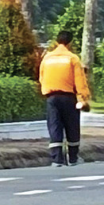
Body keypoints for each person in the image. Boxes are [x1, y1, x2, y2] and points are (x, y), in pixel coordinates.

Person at [38, 30, 91, 166]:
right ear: (70, 43)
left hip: (51, 97)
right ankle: (73, 158)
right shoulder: (72, 58)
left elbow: (41, 78)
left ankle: (57, 159)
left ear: (56, 42)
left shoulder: (47, 58)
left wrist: (45, 92)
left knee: (55, 126)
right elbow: (80, 81)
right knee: (72, 126)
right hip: (68, 97)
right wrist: (83, 98)